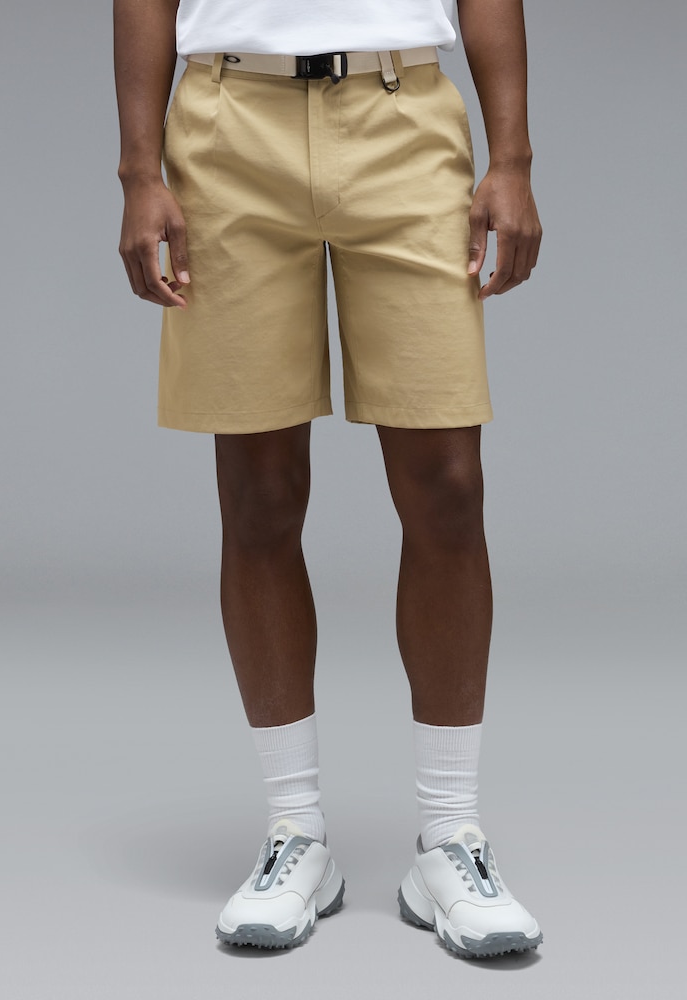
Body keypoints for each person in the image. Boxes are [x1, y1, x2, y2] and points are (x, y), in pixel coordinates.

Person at [114, 0, 544, 958]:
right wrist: (140, 172)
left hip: (403, 112)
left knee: (448, 486)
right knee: (258, 494)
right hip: (227, 126)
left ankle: (450, 837)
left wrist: (511, 159)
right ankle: (295, 832)